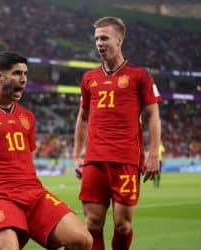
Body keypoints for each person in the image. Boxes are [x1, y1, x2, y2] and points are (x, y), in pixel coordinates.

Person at [0, 51, 93, 250]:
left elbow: (28, 159)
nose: (24, 79)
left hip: (34, 194)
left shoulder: (27, 117)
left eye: (25, 74)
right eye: (17, 73)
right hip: (0, 198)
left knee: (83, 240)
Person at [73, 17, 162, 250]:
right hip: (94, 160)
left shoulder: (139, 75)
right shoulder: (89, 78)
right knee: (92, 223)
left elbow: (153, 115)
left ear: (119, 39)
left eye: (104, 38)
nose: (99, 43)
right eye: (96, 39)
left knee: (123, 225)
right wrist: (76, 155)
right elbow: (82, 118)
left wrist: (154, 154)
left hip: (125, 159)